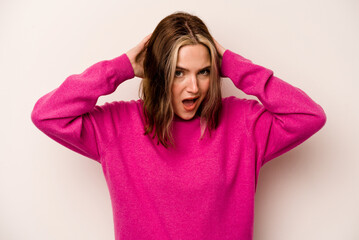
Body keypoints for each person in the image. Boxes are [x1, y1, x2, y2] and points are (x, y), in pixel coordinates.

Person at [31, 11, 326, 240]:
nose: (194, 87)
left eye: (205, 72)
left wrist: (236, 66)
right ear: (157, 74)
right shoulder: (117, 127)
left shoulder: (244, 125)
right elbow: (47, 114)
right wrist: (120, 68)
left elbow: (309, 116)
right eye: (179, 73)